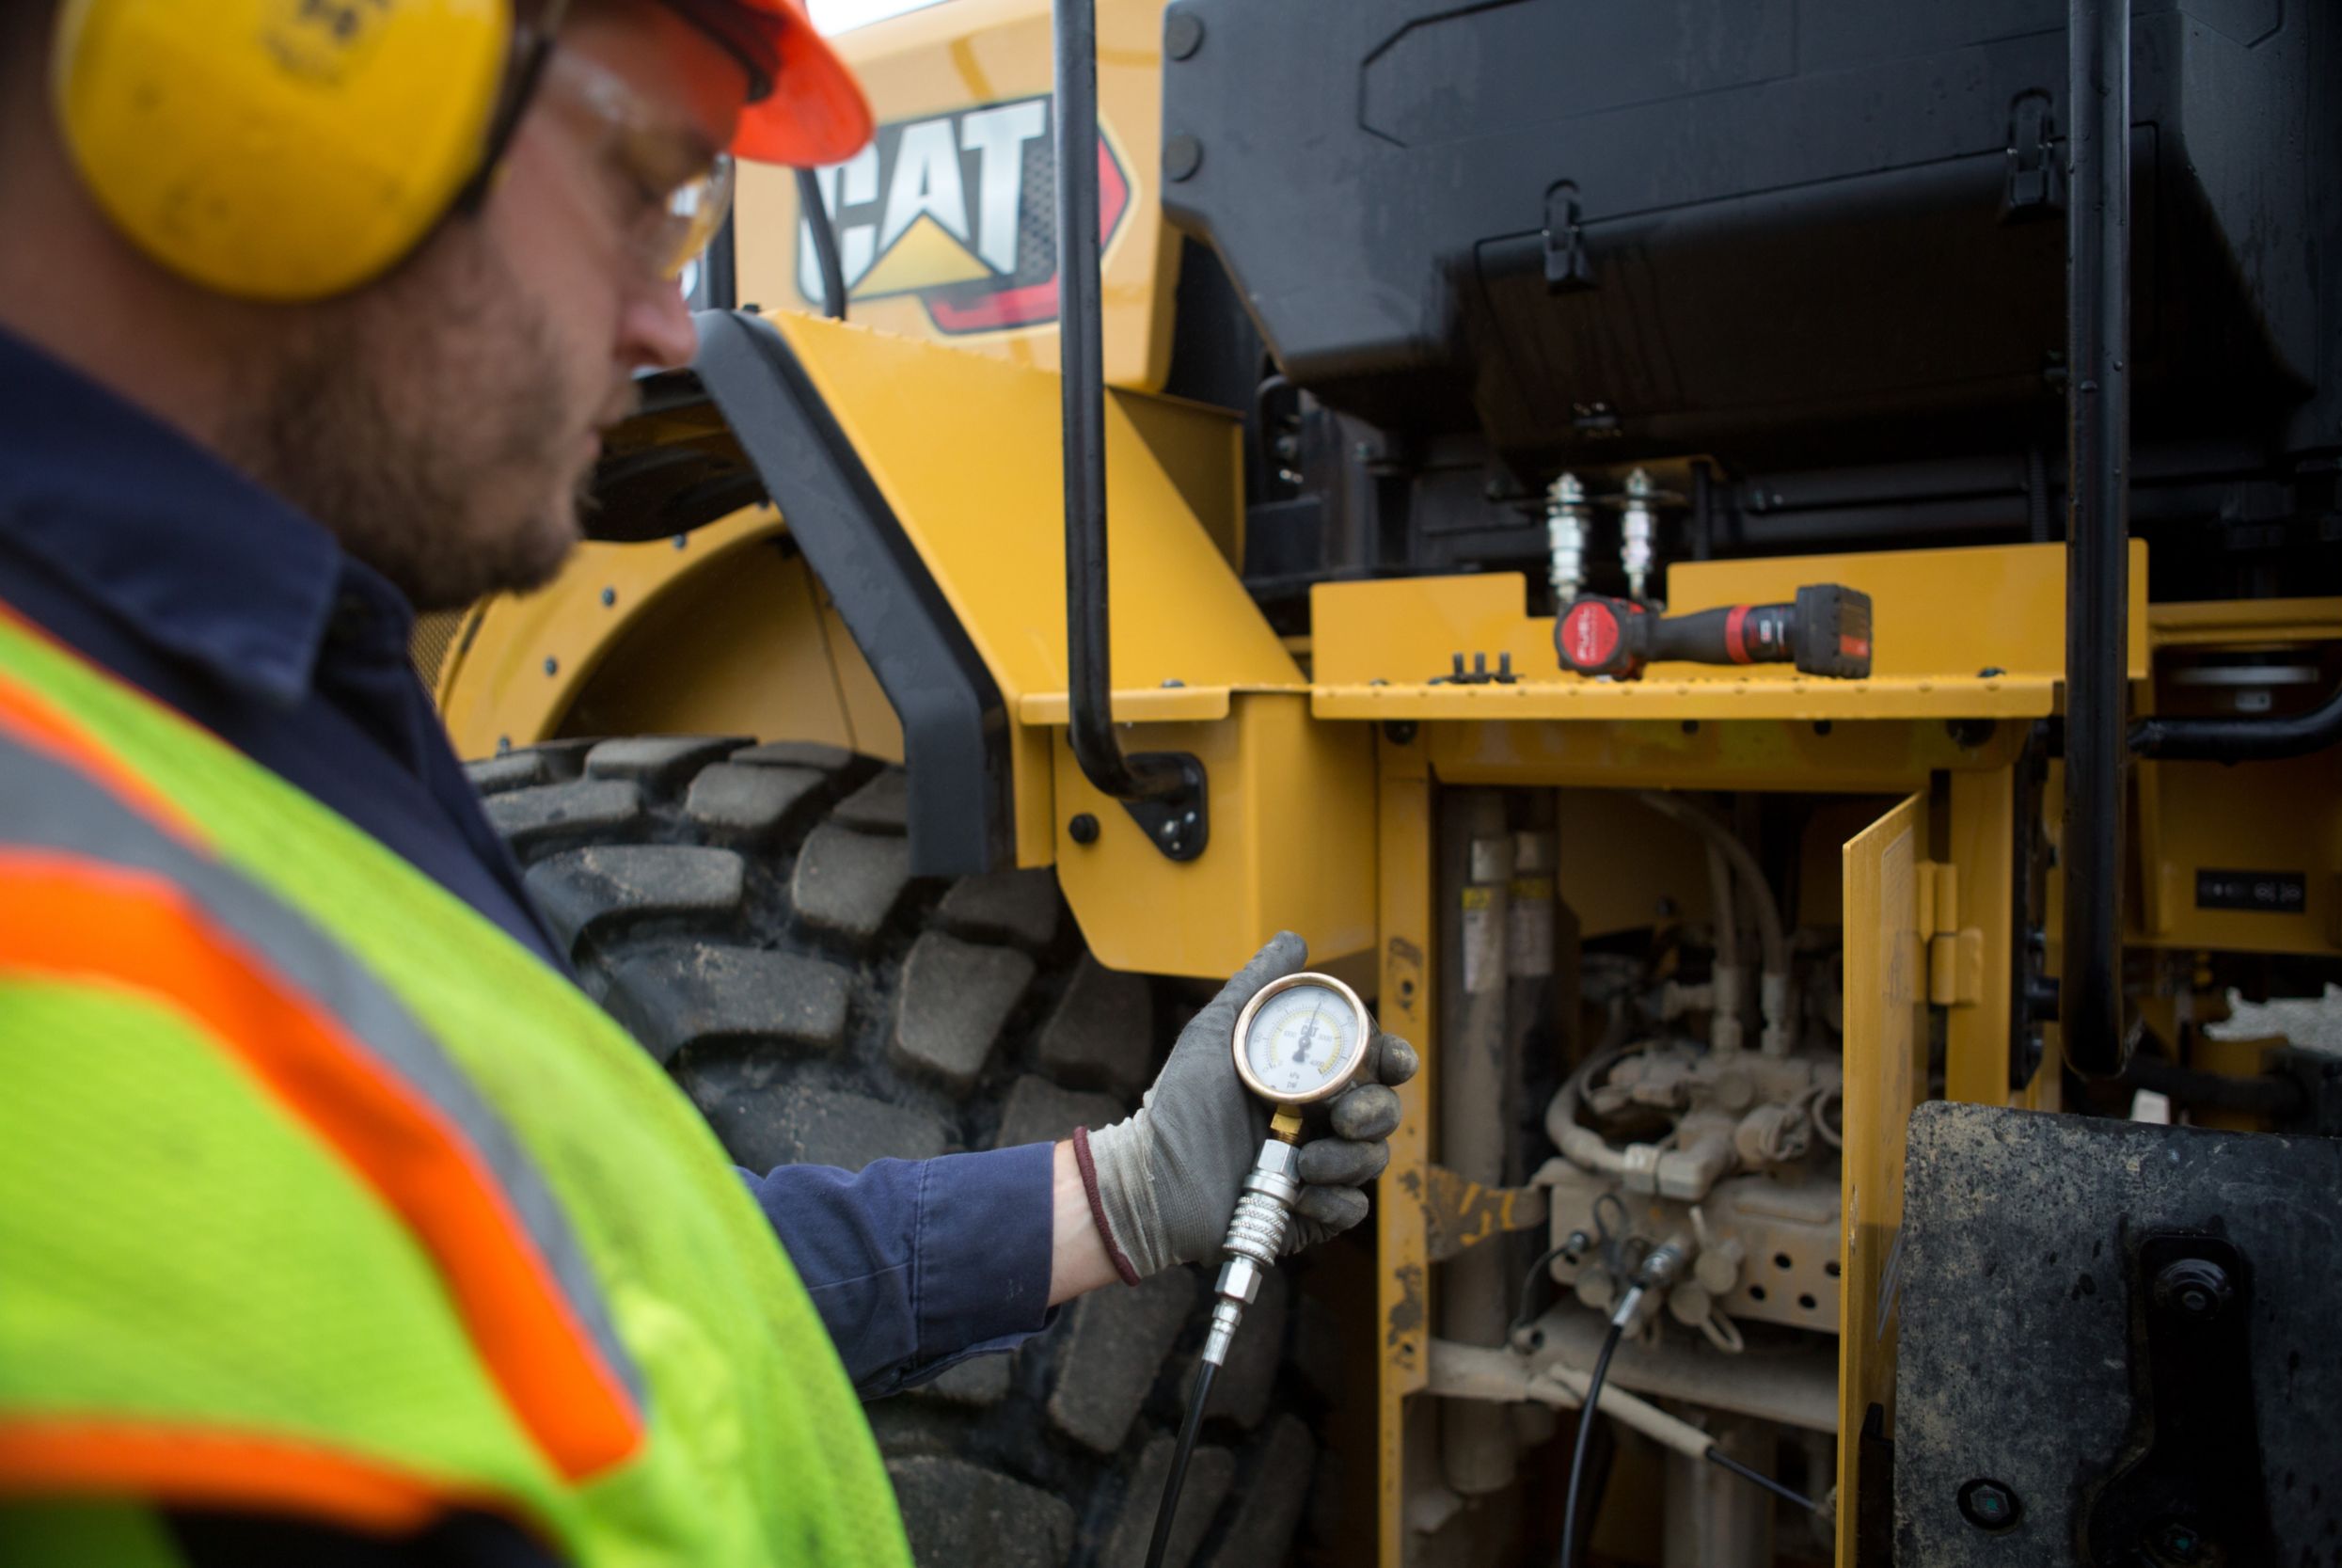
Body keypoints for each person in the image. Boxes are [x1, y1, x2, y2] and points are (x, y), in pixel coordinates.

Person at [0, 1, 1416, 1563]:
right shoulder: (68, 891)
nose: (672, 325)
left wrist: (1120, 1194)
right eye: (645, 188)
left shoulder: (255, 715)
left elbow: (615, 1285)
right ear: (278, 67)